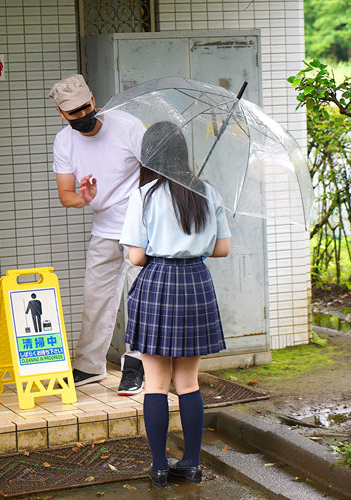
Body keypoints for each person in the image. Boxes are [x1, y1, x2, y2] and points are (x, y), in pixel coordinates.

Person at [119, 121, 231, 488]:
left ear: (149, 156)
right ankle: (192, 464)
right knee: (188, 382)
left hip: (158, 283)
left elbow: (135, 257)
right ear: (182, 152)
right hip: (196, 284)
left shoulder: (145, 195)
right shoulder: (207, 192)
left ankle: (159, 467)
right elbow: (222, 248)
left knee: (155, 383)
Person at [47, 74, 147, 395]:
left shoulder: (126, 126)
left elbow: (157, 165)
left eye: (85, 106)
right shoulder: (64, 141)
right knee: (95, 295)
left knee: (139, 297)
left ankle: (136, 366)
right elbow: (66, 194)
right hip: (103, 226)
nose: (82, 115)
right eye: (73, 112)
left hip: (139, 226)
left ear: (93, 97)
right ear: (62, 114)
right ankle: (89, 367)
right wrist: (84, 198)